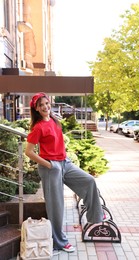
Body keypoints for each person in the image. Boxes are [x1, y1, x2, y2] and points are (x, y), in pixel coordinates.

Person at [25, 92, 107, 253]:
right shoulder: (37, 127)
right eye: (40, 105)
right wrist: (49, 165)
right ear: (36, 109)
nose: (45, 107)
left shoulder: (54, 120)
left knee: (89, 181)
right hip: (50, 168)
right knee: (56, 207)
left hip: (65, 163)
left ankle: (95, 215)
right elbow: (29, 152)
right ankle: (60, 242)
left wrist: (64, 155)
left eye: (46, 103)